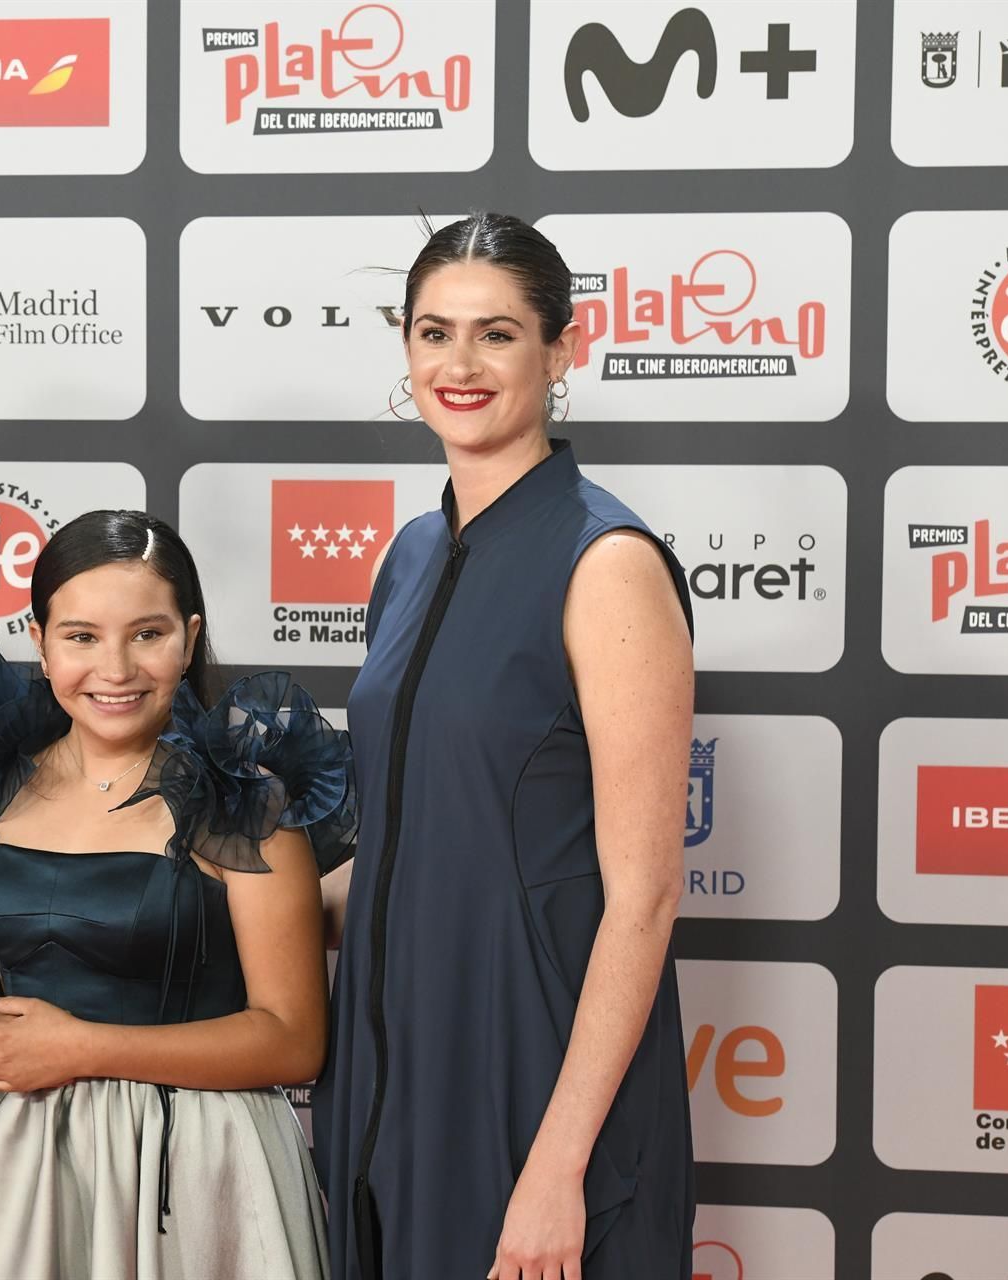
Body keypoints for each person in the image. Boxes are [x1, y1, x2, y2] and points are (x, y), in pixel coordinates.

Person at [314, 212, 697, 1280]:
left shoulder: (606, 560)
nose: (460, 364)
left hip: (535, 1074)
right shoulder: (414, 552)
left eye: (497, 333)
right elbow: (419, 841)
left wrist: (556, 1161)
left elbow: (646, 894)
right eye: (434, 332)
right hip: (393, 1070)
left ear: (561, 350)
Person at [0, 510, 352, 1280]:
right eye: (82, 636)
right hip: (26, 1162)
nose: (115, 668)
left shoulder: (244, 807)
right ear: (40, 638)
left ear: (189, 640)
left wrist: (79, 1049)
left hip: (201, 1169)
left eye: (147, 635)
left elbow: (293, 1039)